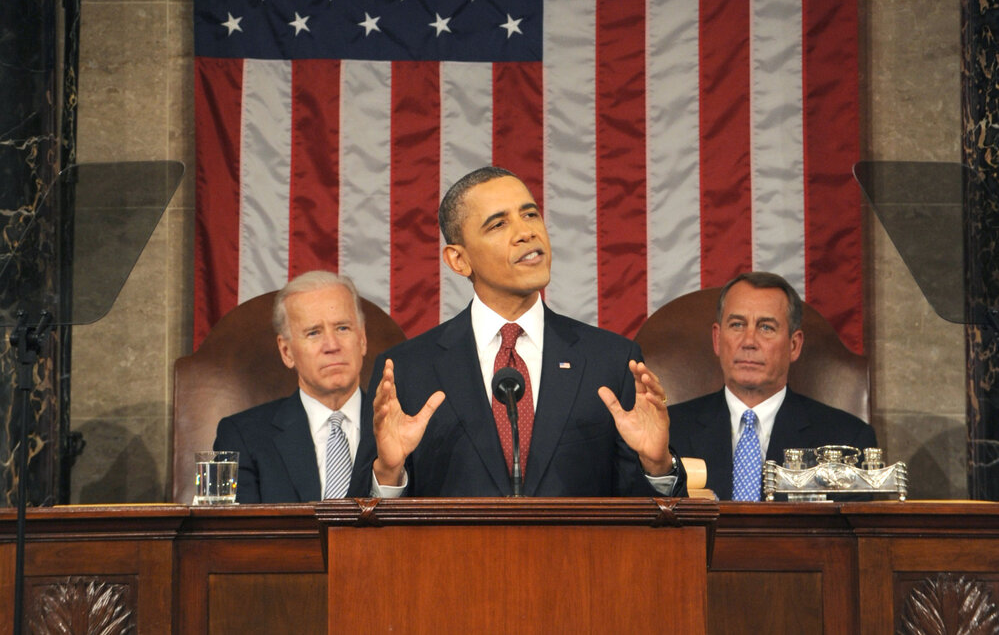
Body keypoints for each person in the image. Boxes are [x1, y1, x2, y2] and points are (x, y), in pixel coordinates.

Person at [351, 166, 687, 497]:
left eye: (530, 215)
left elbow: (650, 529)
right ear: (458, 260)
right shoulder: (408, 371)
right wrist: (390, 474)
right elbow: (359, 532)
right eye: (499, 224)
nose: (526, 232)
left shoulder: (611, 362)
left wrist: (656, 465)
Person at [667, 271, 877, 501]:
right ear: (717, 340)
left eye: (766, 327)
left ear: (794, 345)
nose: (748, 341)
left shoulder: (848, 439)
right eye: (737, 325)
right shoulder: (669, 432)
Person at [213, 271, 371, 502]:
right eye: (314, 333)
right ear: (286, 352)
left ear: (362, 339)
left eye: (342, 328)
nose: (332, 345)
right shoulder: (242, 437)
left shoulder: (399, 427)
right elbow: (235, 534)